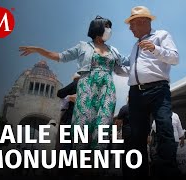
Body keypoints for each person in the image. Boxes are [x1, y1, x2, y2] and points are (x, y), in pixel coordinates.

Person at [19, 16, 128, 174]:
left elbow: (127, 61)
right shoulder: (83, 46)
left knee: (103, 127)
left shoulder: (113, 50)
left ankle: (97, 168)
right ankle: (79, 168)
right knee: (82, 127)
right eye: (106, 26)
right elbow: (59, 56)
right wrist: (38, 50)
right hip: (87, 88)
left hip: (107, 89)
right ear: (97, 28)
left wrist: (146, 52)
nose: (109, 30)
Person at [123, 6, 180, 176]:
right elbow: (132, 69)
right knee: (135, 136)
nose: (129, 28)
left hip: (158, 90)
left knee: (164, 128)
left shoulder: (161, 35)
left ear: (141, 22)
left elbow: (175, 58)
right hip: (136, 93)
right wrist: (113, 66)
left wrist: (155, 49)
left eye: (131, 24)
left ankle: (166, 172)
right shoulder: (135, 46)